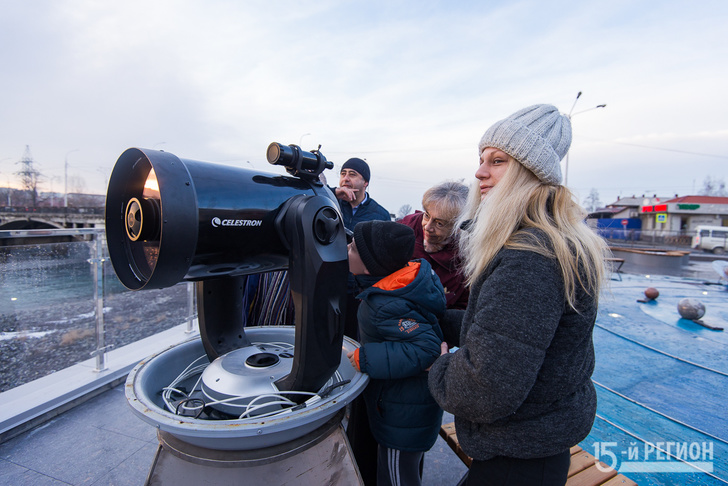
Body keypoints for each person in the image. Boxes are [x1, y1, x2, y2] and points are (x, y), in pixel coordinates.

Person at [427, 104, 609, 486]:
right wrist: (440, 318)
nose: (479, 172)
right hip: (538, 442)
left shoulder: (529, 257)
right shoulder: (556, 241)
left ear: (530, 172)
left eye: (497, 161)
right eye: (481, 159)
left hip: (517, 456)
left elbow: (486, 388)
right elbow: (520, 337)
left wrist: (439, 367)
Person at [345, 220, 445, 486]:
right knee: (406, 470)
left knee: (396, 476)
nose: (346, 249)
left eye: (353, 248)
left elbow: (424, 348)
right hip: (405, 408)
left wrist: (363, 358)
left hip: (402, 414)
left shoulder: (388, 304)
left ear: (370, 265)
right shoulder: (393, 285)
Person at [399, 181, 470, 309]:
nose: (427, 227)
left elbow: (463, 304)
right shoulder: (405, 229)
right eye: (426, 215)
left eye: (439, 223)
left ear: (458, 227)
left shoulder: (466, 254)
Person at [334, 157, 391, 230]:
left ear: (365, 182)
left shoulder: (381, 216)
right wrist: (334, 192)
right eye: (343, 174)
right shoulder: (332, 203)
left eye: (352, 174)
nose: (345, 179)